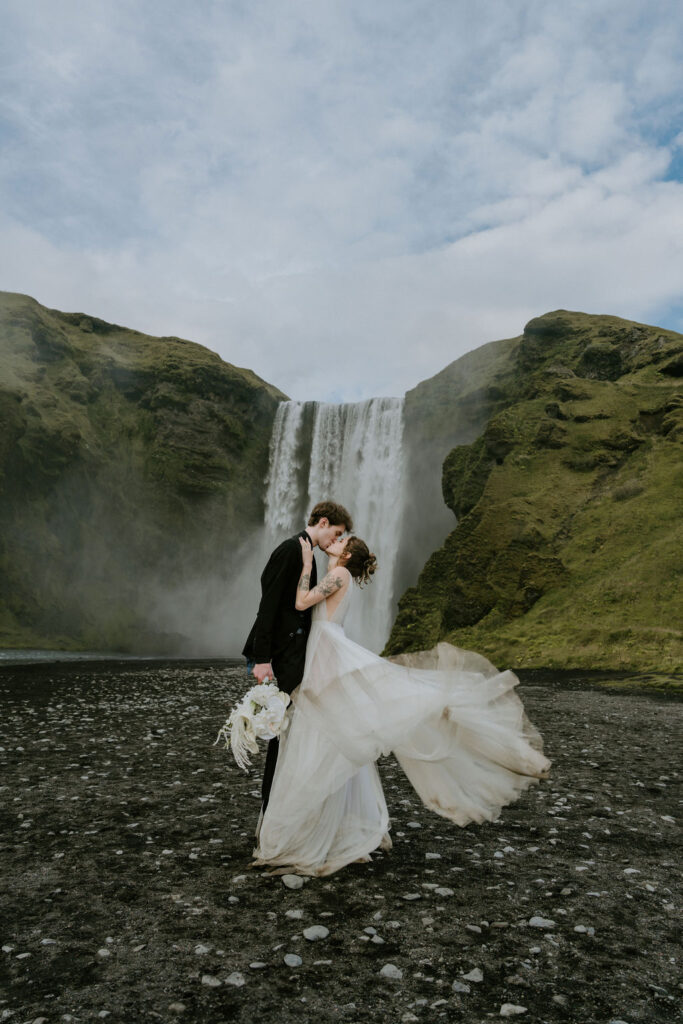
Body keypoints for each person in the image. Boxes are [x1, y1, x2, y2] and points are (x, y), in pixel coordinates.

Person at [250, 534, 551, 876]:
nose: (335, 539)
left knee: (326, 735)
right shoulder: (338, 574)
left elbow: (302, 603)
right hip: (326, 651)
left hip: (328, 652)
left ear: (347, 554)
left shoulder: (340, 576)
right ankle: (331, 828)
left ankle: (315, 831)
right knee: (334, 737)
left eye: (341, 540)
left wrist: (305, 565)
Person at [242, 500, 353, 814]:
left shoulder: (308, 553)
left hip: (296, 654)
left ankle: (282, 803)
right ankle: (273, 803)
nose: (336, 539)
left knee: (291, 728)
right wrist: (262, 657)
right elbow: (270, 604)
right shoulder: (292, 549)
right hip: (284, 655)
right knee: (284, 729)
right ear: (322, 521)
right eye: (337, 532)